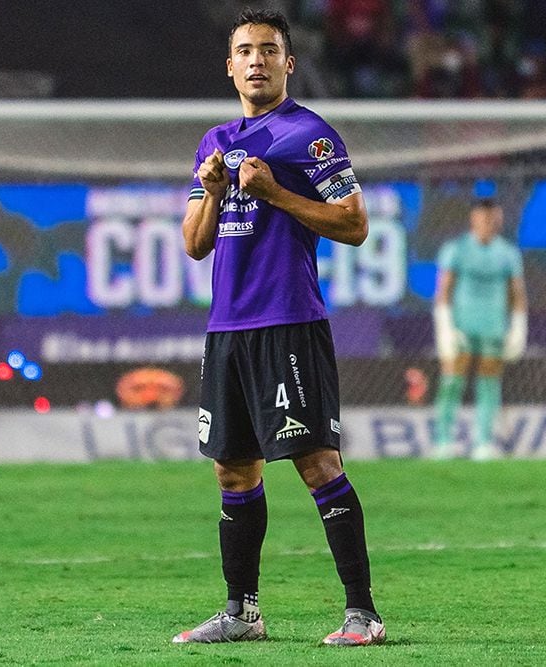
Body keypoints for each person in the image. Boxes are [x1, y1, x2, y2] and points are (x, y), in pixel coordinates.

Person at [172, 9, 384, 647]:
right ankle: (241, 613)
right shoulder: (214, 141)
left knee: (316, 461)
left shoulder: (310, 136)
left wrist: (275, 194)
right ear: (230, 65)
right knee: (234, 470)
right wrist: (212, 191)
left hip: (289, 321)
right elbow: (193, 245)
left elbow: (354, 224)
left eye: (269, 50)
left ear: (289, 63)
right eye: (245, 50)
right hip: (228, 328)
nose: (257, 60)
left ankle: (362, 616)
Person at [432, 198, 527, 460]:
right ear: (474, 219)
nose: (490, 224)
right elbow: (444, 290)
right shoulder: (457, 249)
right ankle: (443, 441)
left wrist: (518, 328)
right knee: (452, 380)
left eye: (495, 219)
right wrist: (445, 327)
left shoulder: (508, 253)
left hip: (493, 326)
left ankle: (484, 442)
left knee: (489, 382)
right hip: (462, 324)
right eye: (486, 218)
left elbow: (516, 293)